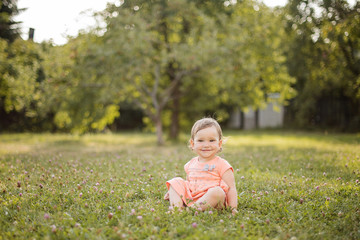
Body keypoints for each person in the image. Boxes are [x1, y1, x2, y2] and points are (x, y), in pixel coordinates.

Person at [164, 117, 238, 215]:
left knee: (218, 191)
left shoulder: (222, 165)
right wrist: (177, 190)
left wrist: (233, 208)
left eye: (211, 140)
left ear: (219, 143)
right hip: (193, 198)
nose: (206, 145)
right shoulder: (190, 164)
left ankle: (189, 211)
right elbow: (189, 184)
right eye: (200, 140)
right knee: (176, 181)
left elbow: (231, 188)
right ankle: (177, 208)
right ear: (192, 143)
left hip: (213, 201)